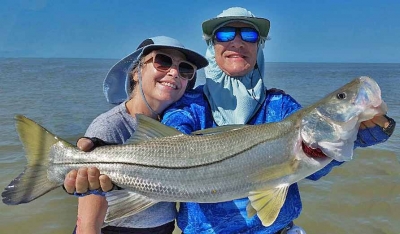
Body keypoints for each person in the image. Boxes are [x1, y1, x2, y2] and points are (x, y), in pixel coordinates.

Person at [65, 7, 396, 234]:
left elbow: (316, 168)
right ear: (212, 47)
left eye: (249, 36)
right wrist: (102, 152)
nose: (237, 42)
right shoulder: (189, 104)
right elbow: (170, 142)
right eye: (225, 35)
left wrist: (366, 132)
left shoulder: (280, 105)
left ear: (259, 48)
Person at [63, 35, 208, 234]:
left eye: (185, 70)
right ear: (136, 73)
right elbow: (87, 224)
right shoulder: (109, 126)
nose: (174, 72)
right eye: (163, 62)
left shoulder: (178, 125)